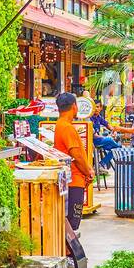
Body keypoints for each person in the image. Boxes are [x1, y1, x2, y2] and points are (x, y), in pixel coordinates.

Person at [53, 92, 93, 233]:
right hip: (74, 181)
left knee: (68, 224)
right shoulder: (67, 128)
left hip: (69, 180)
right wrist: (88, 172)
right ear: (74, 106)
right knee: (72, 225)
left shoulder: (60, 124)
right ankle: (68, 248)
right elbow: (77, 156)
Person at [90, 105, 122, 171]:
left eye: (98, 107)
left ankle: (101, 164)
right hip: (93, 141)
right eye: (95, 107)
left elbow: (107, 124)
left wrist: (113, 131)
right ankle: (101, 165)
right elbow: (94, 135)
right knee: (110, 140)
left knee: (117, 149)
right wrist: (106, 137)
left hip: (100, 140)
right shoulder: (89, 118)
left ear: (101, 108)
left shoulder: (99, 117)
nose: (96, 109)